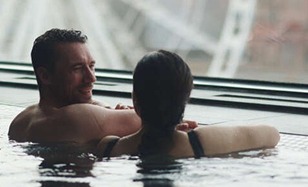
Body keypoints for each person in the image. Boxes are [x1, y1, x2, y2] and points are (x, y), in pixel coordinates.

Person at [96, 50, 280, 159]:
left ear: (135, 100)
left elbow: (150, 141)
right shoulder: (201, 142)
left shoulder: (109, 147)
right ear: (185, 98)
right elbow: (272, 134)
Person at [8, 28, 144, 145]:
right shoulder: (75, 119)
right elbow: (154, 117)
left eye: (91, 66)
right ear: (45, 76)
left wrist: (109, 111)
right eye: (77, 68)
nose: (92, 78)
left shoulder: (20, 122)